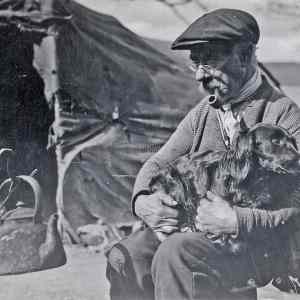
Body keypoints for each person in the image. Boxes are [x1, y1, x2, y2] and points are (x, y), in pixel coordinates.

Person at [106, 8, 300, 300]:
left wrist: (237, 220)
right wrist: (143, 201)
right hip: (203, 234)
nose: (199, 76)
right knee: (126, 256)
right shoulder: (203, 114)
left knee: (175, 252)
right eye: (195, 64)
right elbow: (157, 162)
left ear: (244, 56)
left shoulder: (282, 113)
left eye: (209, 62)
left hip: (255, 246)